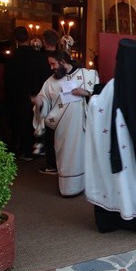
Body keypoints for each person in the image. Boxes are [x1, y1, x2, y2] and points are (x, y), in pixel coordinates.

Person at [85, 39, 136, 236]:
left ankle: (118, 215)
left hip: (121, 149)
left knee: (121, 180)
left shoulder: (113, 87)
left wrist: (93, 98)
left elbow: (97, 108)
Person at [34, 50, 99, 197]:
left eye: (53, 64)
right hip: (62, 128)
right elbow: (44, 98)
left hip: (82, 126)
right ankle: (67, 188)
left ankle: (83, 185)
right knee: (65, 157)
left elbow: (100, 98)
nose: (51, 68)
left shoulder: (87, 75)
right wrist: (39, 102)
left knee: (81, 156)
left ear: (63, 62)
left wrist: (86, 93)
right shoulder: (50, 82)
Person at [5, 26, 50, 161]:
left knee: (22, 122)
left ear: (15, 39)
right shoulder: (39, 56)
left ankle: (26, 151)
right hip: (38, 93)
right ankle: (40, 149)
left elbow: (8, 79)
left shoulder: (12, 57)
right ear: (29, 37)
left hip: (18, 95)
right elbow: (44, 76)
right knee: (38, 121)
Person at [38, 29, 59, 175]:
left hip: (46, 99)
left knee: (49, 131)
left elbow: (35, 78)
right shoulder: (63, 57)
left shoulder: (38, 59)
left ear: (44, 41)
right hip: (61, 99)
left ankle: (52, 164)